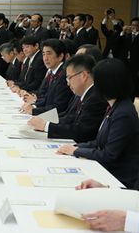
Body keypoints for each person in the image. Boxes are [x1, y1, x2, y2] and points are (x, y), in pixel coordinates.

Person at [57, 58, 139, 189]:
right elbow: (99, 142)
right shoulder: (114, 106)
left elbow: (109, 155)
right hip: (107, 171)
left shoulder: (123, 113)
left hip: (119, 179)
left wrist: (76, 151)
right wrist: (75, 146)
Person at [27, 54, 108, 143]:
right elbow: (69, 117)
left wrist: (46, 126)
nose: (68, 83)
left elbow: (82, 132)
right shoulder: (80, 94)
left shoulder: (96, 98)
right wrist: (44, 119)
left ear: (84, 75)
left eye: (69, 78)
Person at [20, 39, 73, 115]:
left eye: (49, 54)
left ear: (60, 56)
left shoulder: (64, 75)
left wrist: (34, 109)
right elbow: (45, 96)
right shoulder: (51, 72)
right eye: (44, 54)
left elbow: (59, 106)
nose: (45, 58)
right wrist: (34, 103)